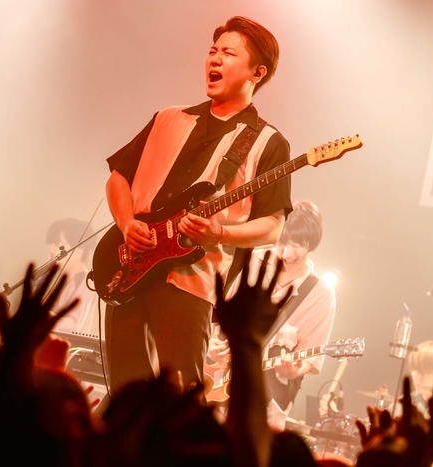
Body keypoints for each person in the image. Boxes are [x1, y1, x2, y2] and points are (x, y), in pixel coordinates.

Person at [103, 16, 293, 395]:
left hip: (192, 280)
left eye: (229, 54)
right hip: (131, 265)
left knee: (182, 395)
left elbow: (273, 226)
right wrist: (127, 224)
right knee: (125, 390)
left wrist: (219, 232)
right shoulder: (168, 118)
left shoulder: (269, 142)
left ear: (257, 72)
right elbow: (118, 179)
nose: (215, 59)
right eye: (212, 51)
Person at [208, 199, 336, 431]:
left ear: (311, 243)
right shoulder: (253, 260)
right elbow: (218, 313)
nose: (286, 253)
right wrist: (210, 343)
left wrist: (296, 369)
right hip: (218, 382)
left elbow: (311, 355)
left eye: (297, 245)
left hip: (269, 401)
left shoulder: (320, 294)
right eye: (282, 243)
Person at [44, 218, 100, 336]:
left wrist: (43, 314)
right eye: (51, 244)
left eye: (59, 245)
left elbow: (74, 326)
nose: (51, 250)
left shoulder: (86, 281)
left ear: (79, 249)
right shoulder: (66, 280)